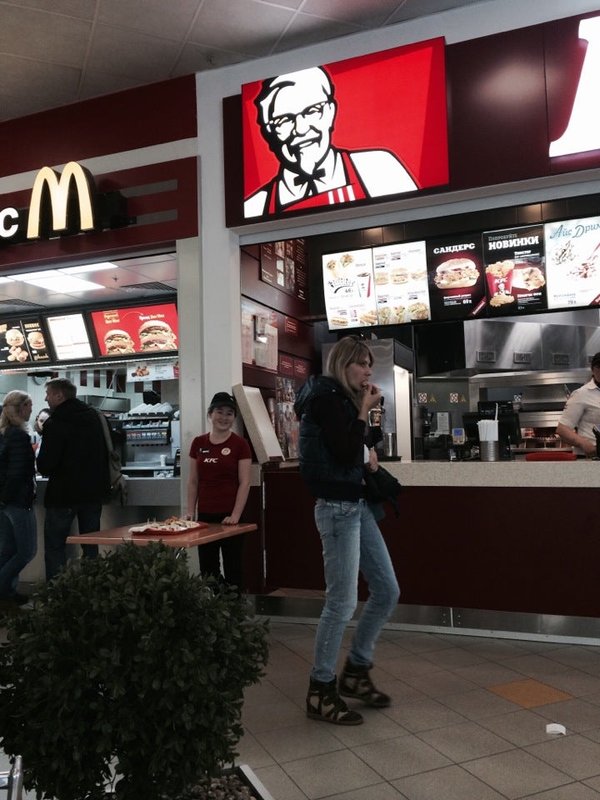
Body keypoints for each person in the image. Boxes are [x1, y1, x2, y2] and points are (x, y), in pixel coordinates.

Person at [293, 335, 400, 725]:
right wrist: (364, 411)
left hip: (357, 504)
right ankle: (320, 690)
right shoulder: (324, 398)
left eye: (370, 364)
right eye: (361, 363)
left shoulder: (341, 400)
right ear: (343, 365)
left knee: (386, 589)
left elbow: (359, 445)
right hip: (337, 508)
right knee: (341, 603)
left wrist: (367, 417)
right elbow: (342, 450)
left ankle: (355, 671)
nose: (368, 370)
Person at [244, 66, 418, 218]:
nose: (301, 129)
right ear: (268, 132)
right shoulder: (255, 207)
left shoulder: (378, 168)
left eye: (312, 111)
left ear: (330, 112)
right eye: (284, 120)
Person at [36, 378, 110, 580]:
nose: (46, 399)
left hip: (63, 495)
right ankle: (92, 588)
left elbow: (46, 464)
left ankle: (57, 592)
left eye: (48, 394)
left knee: (55, 546)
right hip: (93, 494)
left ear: (60, 395)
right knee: (90, 545)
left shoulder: (56, 423)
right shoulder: (95, 417)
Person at [186, 392, 252, 590]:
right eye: (219, 412)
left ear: (234, 417)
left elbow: (245, 482)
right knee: (208, 571)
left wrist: (235, 515)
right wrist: (190, 512)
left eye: (229, 413)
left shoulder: (240, 444)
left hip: (231, 517)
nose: (224, 417)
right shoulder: (198, 443)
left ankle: (234, 607)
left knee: (233, 568)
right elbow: (193, 481)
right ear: (210, 414)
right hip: (205, 517)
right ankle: (218, 604)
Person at [0, 391, 36, 607]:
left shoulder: (4, 433)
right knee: (26, 551)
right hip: (18, 501)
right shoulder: (19, 436)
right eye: (29, 405)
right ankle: (3, 588)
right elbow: (17, 473)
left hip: (5, 502)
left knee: (7, 550)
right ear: (21, 408)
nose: (31, 410)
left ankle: (8, 592)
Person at [556, 352, 600, 456]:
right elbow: (562, 429)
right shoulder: (581, 394)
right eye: (599, 367)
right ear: (592, 370)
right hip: (590, 457)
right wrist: (584, 444)